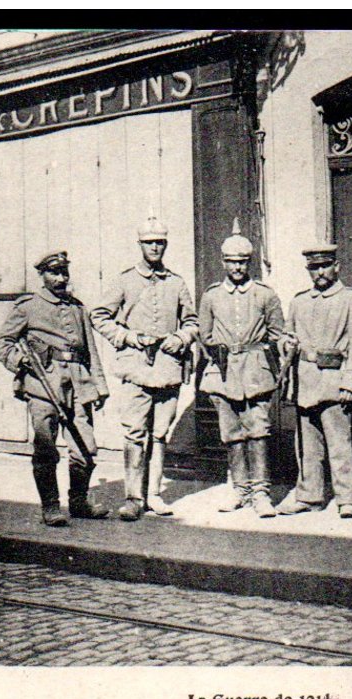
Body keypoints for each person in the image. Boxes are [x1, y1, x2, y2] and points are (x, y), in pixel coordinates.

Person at [90, 215, 198, 521]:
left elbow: (191, 321)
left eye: (160, 243)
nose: (155, 248)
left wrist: (180, 337)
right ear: (140, 245)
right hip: (136, 369)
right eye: (149, 242)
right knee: (135, 433)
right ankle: (134, 497)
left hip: (167, 369)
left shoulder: (176, 283)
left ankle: (153, 495)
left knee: (160, 434)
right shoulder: (125, 280)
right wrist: (127, 337)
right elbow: (99, 316)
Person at [0, 250, 109, 527]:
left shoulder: (78, 308)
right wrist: (20, 360)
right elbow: (2, 343)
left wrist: (99, 387)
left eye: (63, 272)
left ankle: (78, 502)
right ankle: (51, 507)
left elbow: (89, 350)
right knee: (46, 448)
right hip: (43, 385)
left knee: (85, 447)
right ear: (42, 276)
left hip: (79, 385)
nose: (60, 278)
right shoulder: (28, 307)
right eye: (54, 273)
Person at [276, 244, 352, 519]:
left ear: (336, 266)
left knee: (339, 444)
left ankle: (347, 499)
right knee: (307, 445)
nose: (319, 272)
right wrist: (286, 342)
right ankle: (308, 495)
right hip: (305, 382)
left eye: (324, 266)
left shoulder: (351, 300)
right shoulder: (299, 301)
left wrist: (351, 384)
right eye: (314, 268)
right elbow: (286, 334)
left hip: (334, 381)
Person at [199, 220, 284, 517]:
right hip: (222, 374)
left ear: (249, 263)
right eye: (232, 262)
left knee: (258, 430)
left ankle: (261, 493)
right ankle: (239, 489)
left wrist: (264, 361)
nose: (237, 268)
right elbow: (204, 336)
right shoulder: (211, 296)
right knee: (232, 434)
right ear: (223, 262)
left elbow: (277, 335)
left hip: (256, 372)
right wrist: (219, 354)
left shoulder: (265, 295)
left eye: (242, 262)